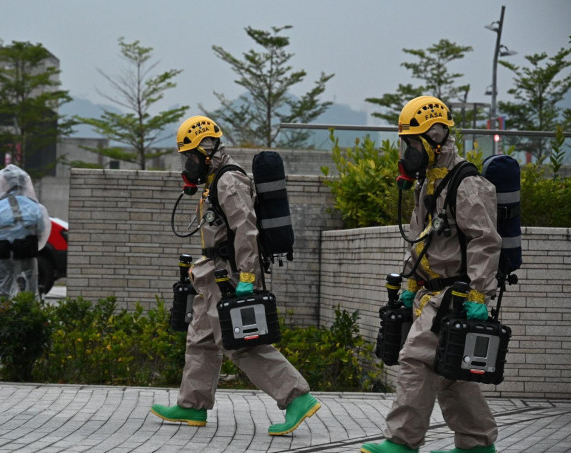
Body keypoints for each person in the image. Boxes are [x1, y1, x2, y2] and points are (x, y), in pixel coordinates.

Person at [150, 115, 320, 435]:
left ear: (206, 151)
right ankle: (192, 405)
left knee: (241, 343)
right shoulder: (213, 181)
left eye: (189, 158)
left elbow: (246, 230)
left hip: (228, 277)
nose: (187, 165)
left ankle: (296, 398)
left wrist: (246, 278)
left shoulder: (229, 180)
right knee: (200, 339)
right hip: (210, 275)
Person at [361, 97, 501, 453]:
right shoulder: (429, 184)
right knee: (450, 372)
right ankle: (477, 444)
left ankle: (402, 443)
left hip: (456, 293)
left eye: (411, 144)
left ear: (435, 137)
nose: (407, 153)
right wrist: (410, 283)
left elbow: (485, 242)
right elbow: (421, 241)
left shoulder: (466, 184)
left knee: (415, 360)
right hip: (430, 292)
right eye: (405, 144)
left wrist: (477, 294)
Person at [0, 165, 51, 298]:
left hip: (3, 255)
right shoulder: (35, 207)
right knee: (28, 292)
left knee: (1, 293)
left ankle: (1, 316)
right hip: (26, 254)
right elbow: (41, 232)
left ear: (4, 184)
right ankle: (26, 316)